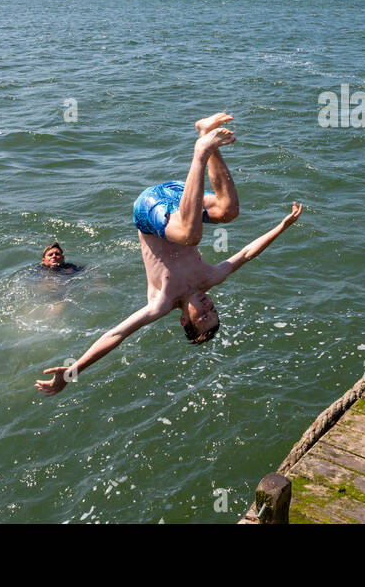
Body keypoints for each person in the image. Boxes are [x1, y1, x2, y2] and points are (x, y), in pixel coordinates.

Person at [35, 113, 303, 396]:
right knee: (228, 211)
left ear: (184, 320)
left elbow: (115, 335)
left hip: (148, 209)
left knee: (192, 234)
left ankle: (201, 152)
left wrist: (72, 371)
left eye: (202, 316)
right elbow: (248, 253)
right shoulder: (210, 277)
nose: (207, 306)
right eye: (213, 310)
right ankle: (205, 134)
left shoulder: (160, 303)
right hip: (175, 199)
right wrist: (282, 226)